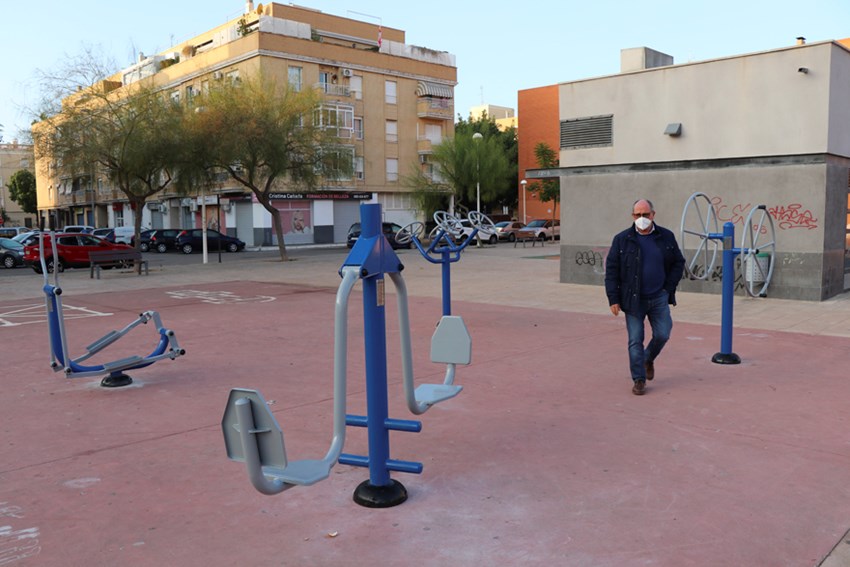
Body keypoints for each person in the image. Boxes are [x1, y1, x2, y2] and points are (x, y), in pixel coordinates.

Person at [605, 199, 685, 395]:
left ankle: (647, 358)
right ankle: (639, 379)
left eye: (646, 214)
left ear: (653, 214)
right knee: (635, 340)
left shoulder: (666, 236)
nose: (642, 218)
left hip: (659, 297)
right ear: (632, 216)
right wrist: (613, 299)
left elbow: (678, 262)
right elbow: (612, 270)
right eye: (638, 215)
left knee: (663, 334)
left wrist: (668, 288)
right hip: (633, 299)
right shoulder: (622, 239)